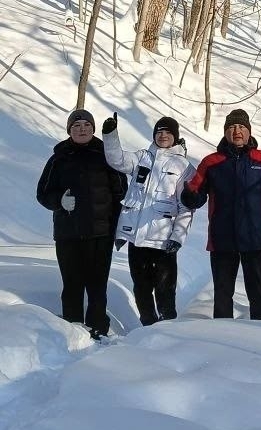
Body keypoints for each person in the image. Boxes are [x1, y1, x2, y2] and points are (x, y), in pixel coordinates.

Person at [181, 109, 261, 321]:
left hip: (256, 238)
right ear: (225, 132)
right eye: (232, 127)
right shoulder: (211, 162)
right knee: (222, 296)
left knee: (258, 294)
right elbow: (196, 192)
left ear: (249, 131)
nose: (237, 131)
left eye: (241, 127)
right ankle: (223, 341)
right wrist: (188, 195)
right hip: (222, 239)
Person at [36, 108, 126, 339]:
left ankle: (98, 329)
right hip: (68, 234)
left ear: (93, 128)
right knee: (72, 284)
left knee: (97, 286)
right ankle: (72, 328)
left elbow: (122, 192)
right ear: (69, 130)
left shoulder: (107, 155)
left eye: (86, 125)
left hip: (100, 233)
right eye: (76, 126)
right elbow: (42, 193)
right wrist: (59, 201)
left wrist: (118, 226)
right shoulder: (58, 158)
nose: (82, 129)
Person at [102, 113, 192, 326]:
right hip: (137, 238)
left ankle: (168, 326)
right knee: (141, 287)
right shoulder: (142, 157)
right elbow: (117, 160)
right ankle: (147, 326)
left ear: (175, 137)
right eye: (159, 131)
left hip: (163, 241)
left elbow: (186, 206)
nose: (163, 135)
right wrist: (110, 136)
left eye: (168, 132)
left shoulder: (183, 166)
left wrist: (177, 237)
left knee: (165, 289)